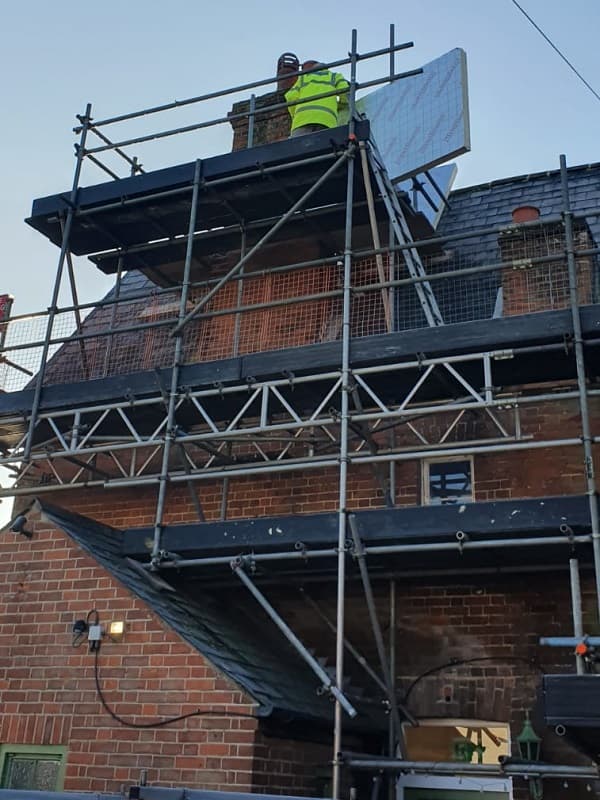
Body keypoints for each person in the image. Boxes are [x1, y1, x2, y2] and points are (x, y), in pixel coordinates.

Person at [285, 60, 349, 137]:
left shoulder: (303, 78)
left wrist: (295, 115)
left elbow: (290, 97)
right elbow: (345, 92)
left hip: (302, 121)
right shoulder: (334, 76)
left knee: (298, 147)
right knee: (326, 147)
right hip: (326, 121)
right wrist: (340, 106)